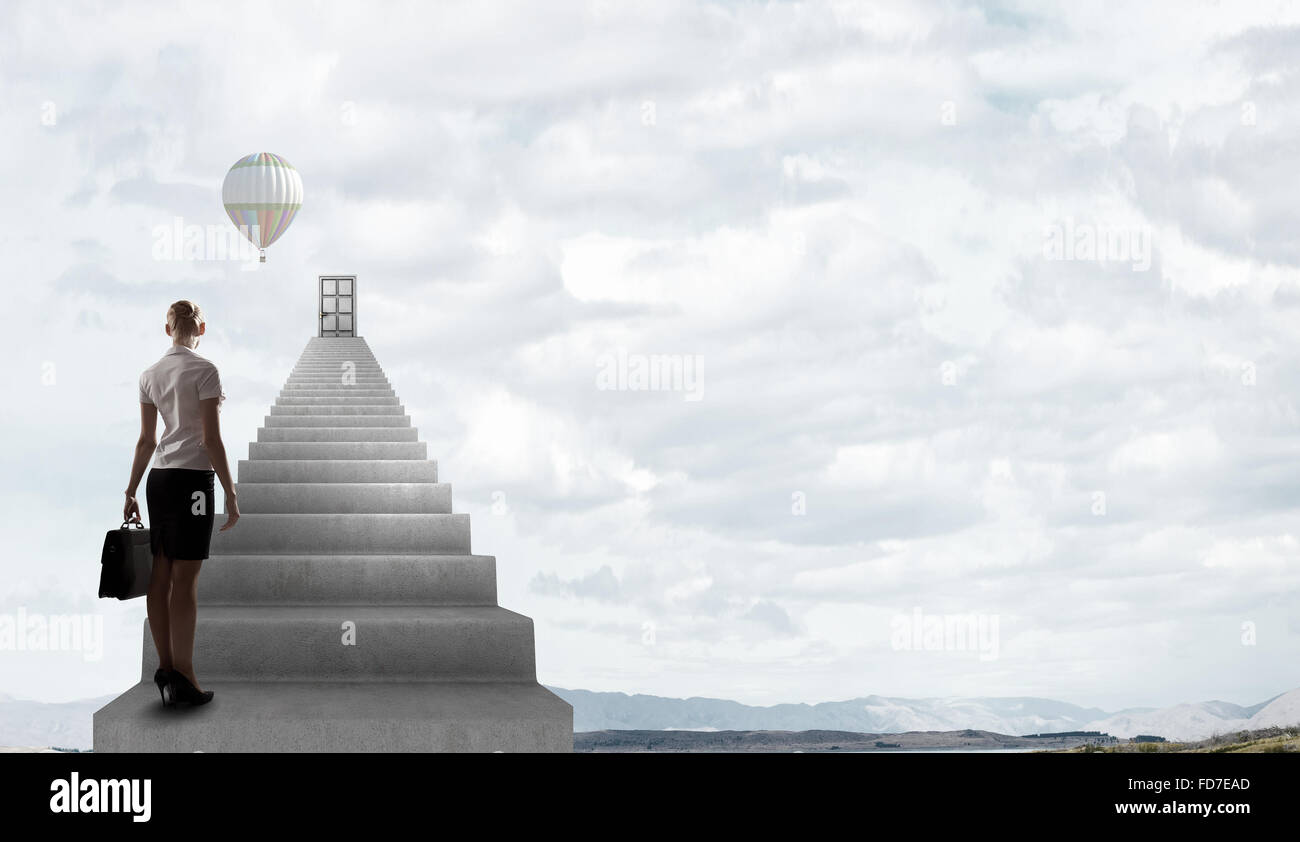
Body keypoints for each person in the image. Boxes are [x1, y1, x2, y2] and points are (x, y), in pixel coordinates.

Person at [123, 300, 239, 707]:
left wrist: (131, 490)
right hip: (193, 481)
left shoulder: (149, 375)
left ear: (166, 328)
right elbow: (211, 439)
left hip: (159, 478)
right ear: (201, 329)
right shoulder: (205, 370)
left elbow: (146, 441)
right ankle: (186, 674)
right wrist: (230, 490)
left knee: (161, 574)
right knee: (186, 583)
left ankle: (165, 667)